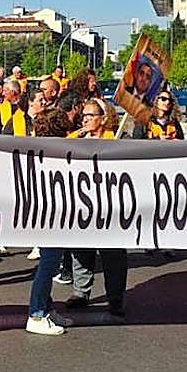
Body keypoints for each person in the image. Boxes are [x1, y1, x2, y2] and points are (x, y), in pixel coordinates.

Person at [65, 100, 127, 317]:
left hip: (111, 207)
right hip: (82, 205)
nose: (85, 119)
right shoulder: (76, 139)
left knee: (113, 255)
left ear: (103, 118)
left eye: (90, 115)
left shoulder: (117, 139)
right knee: (81, 251)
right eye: (83, 115)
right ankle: (80, 292)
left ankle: (115, 298)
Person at [25, 107, 75, 335]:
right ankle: (36, 315)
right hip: (49, 215)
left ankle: (45, 308)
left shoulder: (38, 150)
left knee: (51, 262)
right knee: (48, 264)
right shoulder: (54, 153)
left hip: (51, 214)